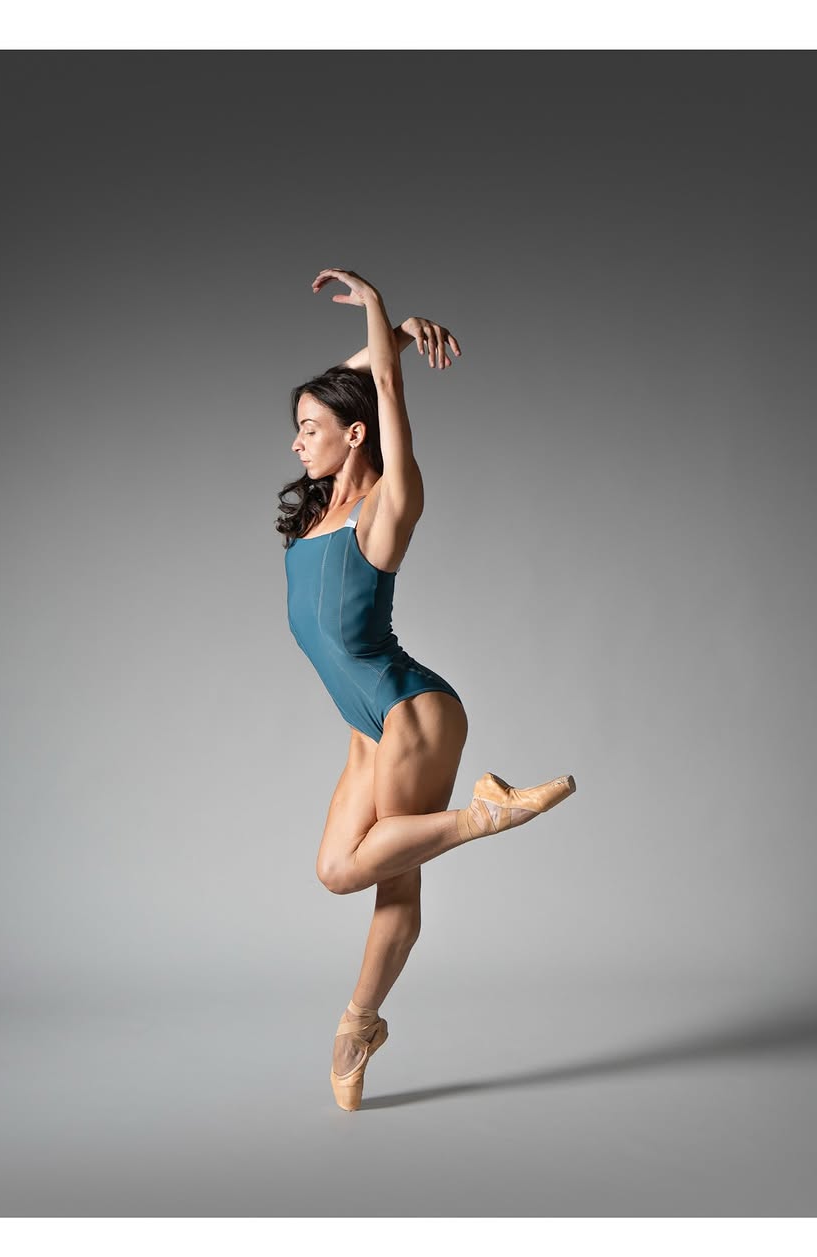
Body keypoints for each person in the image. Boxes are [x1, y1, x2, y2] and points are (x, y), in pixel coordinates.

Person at [277, 268, 576, 1111]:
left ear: (356, 436)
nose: (297, 442)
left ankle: (485, 815)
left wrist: (379, 312)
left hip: (412, 710)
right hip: (368, 726)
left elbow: (383, 400)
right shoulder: (315, 515)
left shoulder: (385, 506)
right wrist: (401, 333)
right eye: (296, 428)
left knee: (348, 871)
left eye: (310, 430)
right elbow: (347, 389)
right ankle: (359, 1025)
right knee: (381, 878)